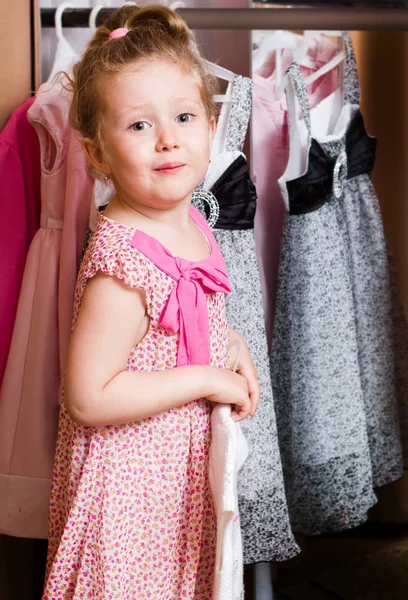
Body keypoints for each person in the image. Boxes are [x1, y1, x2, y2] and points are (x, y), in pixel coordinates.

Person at [41, 5, 260, 599]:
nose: (167, 139)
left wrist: (230, 346)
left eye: (184, 116)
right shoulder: (126, 261)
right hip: (126, 495)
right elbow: (90, 396)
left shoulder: (188, 219)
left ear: (210, 129)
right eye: (138, 126)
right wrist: (207, 377)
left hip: (176, 485)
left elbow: (183, 324)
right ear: (97, 154)